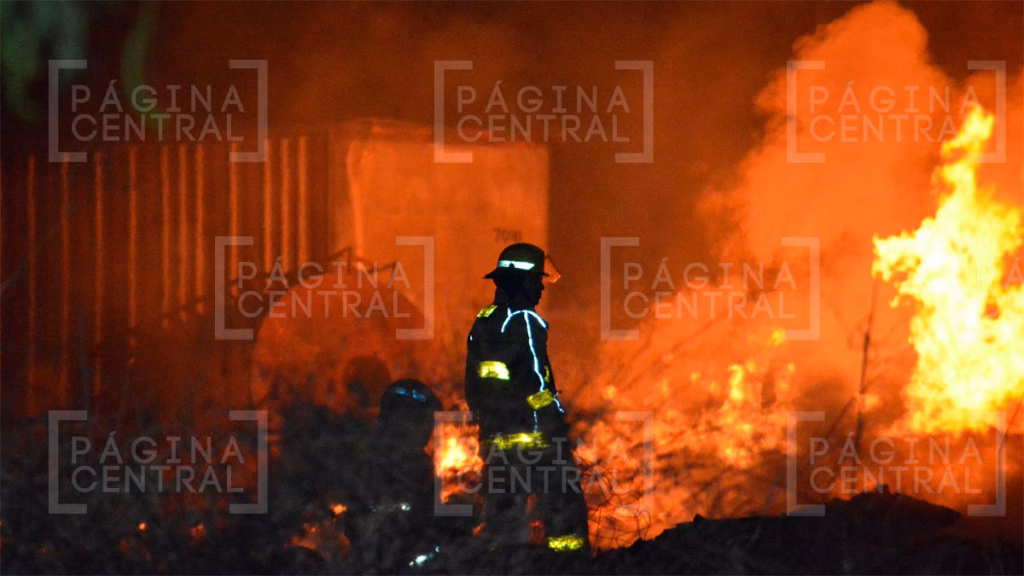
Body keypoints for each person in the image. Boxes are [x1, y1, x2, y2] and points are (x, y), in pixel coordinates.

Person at [464, 243, 589, 554]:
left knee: (505, 528)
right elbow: (536, 385)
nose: (542, 287)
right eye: (537, 280)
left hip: (495, 444)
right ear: (521, 282)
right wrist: (558, 423)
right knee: (565, 516)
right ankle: (568, 569)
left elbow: (475, 388)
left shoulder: (484, 321)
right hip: (535, 444)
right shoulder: (524, 321)